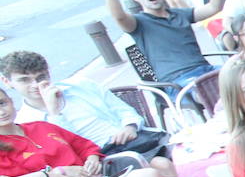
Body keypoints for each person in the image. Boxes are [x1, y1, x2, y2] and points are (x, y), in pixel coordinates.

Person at [1, 50, 173, 164]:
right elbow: (63, 152)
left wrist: (130, 126)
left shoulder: (80, 86)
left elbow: (123, 110)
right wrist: (54, 112)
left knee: (186, 154)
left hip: (133, 140)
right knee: (162, 164)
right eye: (24, 80)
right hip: (99, 159)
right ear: (7, 82)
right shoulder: (25, 121)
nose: (36, 85)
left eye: (41, 77)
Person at [0, 88, 164, 177]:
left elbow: (85, 146)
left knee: (150, 176)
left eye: (2, 103)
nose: (1, 112)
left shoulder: (41, 126)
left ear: (11, 101)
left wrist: (92, 159)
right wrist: (61, 174)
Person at [101, 0, 225, 89]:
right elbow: (119, 17)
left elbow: (213, 7)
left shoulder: (179, 14)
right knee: (211, 91)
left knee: (241, 73)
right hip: (177, 81)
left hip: (207, 70)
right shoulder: (138, 23)